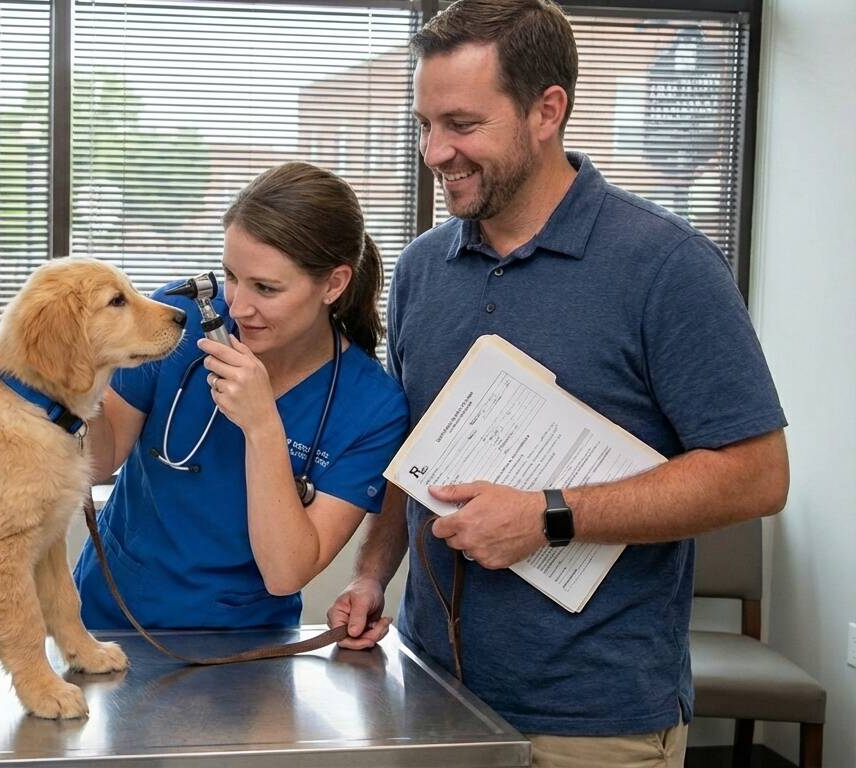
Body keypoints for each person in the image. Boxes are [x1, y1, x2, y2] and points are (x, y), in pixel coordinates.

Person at [327, 1, 788, 766]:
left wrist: (549, 517)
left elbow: (757, 476)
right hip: (430, 694)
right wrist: (372, 575)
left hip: (595, 721)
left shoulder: (667, 268)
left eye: (462, 124)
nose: (434, 151)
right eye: (423, 123)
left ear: (548, 111)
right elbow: (412, 455)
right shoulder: (418, 272)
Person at [73, 162, 410, 630]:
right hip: (105, 617)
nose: (238, 305)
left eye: (266, 288)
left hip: (243, 649)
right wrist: (78, 377)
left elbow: (285, 572)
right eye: (231, 276)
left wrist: (261, 424)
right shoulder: (178, 319)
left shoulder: (372, 408)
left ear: (333, 284)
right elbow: (100, 463)